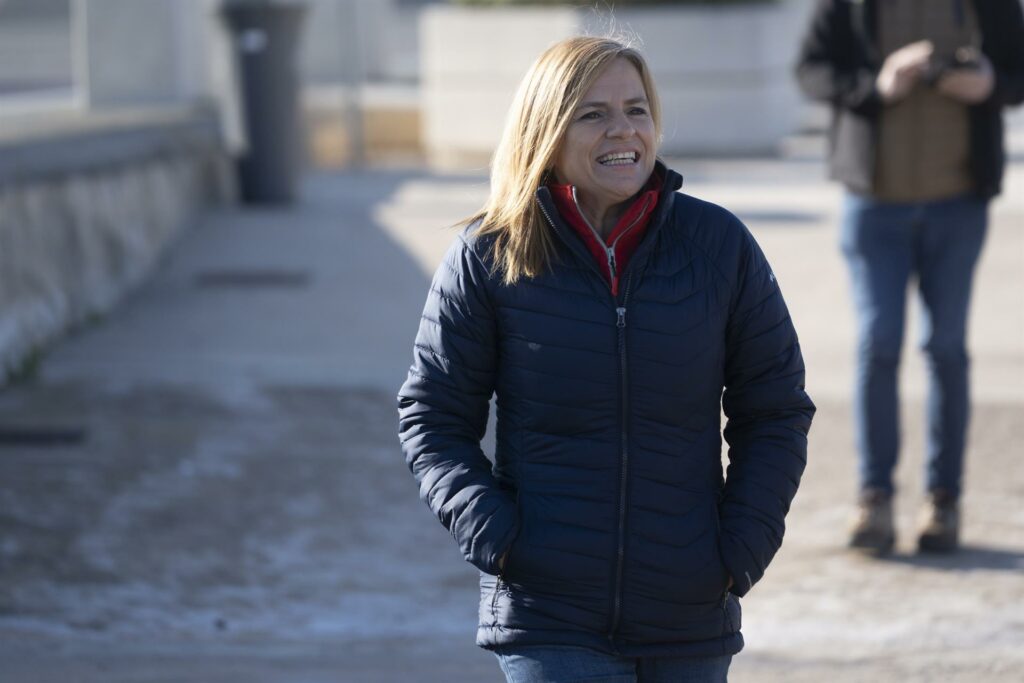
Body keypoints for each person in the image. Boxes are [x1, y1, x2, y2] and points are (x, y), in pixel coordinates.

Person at [398, 36, 815, 682]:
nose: (623, 130)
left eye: (636, 109)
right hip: (549, 616)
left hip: (689, 611)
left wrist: (741, 547)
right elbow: (433, 417)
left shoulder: (719, 246)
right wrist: (499, 539)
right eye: (593, 114)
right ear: (546, 130)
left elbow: (775, 409)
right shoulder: (489, 255)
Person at [795, 0, 1024, 555]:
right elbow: (811, 70)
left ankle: (943, 501)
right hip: (875, 205)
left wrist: (990, 84)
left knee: (946, 347)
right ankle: (873, 498)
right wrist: (877, 85)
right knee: (879, 344)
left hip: (959, 203)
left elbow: (1017, 73)